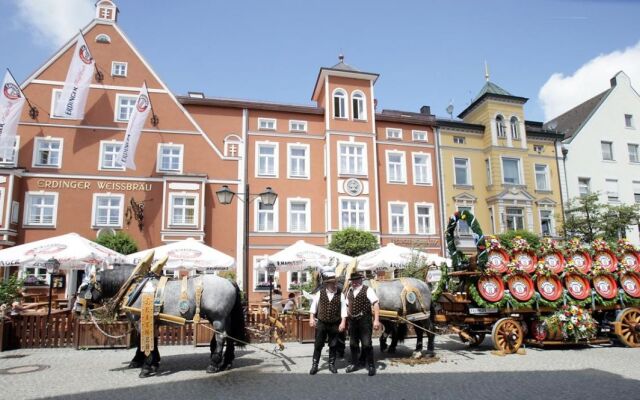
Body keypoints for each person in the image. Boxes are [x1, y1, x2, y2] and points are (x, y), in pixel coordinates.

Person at [308, 272, 347, 375]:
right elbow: (313, 307)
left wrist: (343, 322)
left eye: (335, 283)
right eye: (333, 284)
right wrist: (311, 318)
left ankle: (331, 364)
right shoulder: (320, 293)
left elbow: (344, 310)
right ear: (327, 284)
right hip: (322, 323)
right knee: (318, 344)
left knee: (333, 345)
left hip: (335, 323)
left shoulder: (341, 295)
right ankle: (315, 365)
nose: (335, 285)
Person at [345, 271, 380, 376]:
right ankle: (355, 364)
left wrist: (376, 320)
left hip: (365, 321)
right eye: (353, 281)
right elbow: (347, 305)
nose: (354, 283)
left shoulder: (368, 290)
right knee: (353, 344)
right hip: (352, 322)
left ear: (361, 280)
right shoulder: (349, 291)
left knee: (366, 344)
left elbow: (376, 304)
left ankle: (371, 365)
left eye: (356, 280)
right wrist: (346, 318)